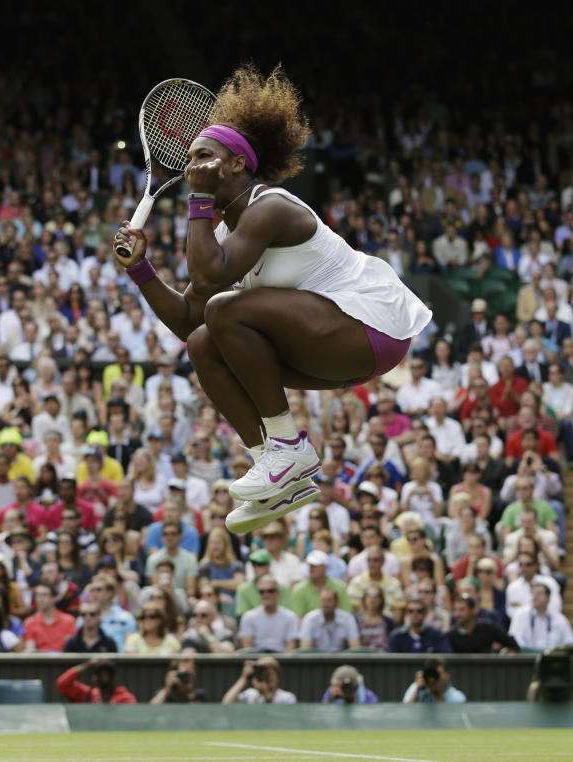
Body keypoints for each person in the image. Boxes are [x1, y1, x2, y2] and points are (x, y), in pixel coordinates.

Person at [113, 64, 430, 534]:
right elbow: (187, 322)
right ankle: (279, 471)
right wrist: (141, 270)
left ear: (237, 164)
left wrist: (197, 202)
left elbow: (211, 276)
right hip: (335, 350)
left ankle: (287, 448)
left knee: (224, 309)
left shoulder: (271, 206)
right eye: (189, 160)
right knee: (204, 342)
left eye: (204, 155)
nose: (190, 167)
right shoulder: (224, 231)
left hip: (372, 328)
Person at [237, 574, 298, 652]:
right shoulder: (248, 617)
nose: (266, 595)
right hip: (256, 659)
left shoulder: (290, 617)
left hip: (282, 660)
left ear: (278, 593)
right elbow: (247, 648)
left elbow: (290, 647)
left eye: (270, 591)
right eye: (262, 592)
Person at [508, 582, 573, 651]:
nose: (535, 597)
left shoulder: (560, 619)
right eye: (533, 593)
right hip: (527, 659)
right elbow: (515, 641)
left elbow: (569, 642)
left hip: (552, 658)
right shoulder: (520, 615)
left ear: (548, 598)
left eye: (539, 594)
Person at [447, 594, 519, 653]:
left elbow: (513, 644)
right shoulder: (451, 635)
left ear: (473, 610)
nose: (457, 614)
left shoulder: (488, 627)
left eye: (462, 610)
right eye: (455, 610)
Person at [23, 582, 76, 652]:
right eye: (37, 595)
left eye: (44, 595)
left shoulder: (69, 621)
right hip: (39, 662)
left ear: (55, 598)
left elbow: (70, 649)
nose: (39, 599)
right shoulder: (29, 622)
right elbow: (30, 650)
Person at [55, 659, 136, 704]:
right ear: (95, 678)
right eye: (101, 675)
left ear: (115, 678)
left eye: (108, 675)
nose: (105, 678)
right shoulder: (87, 695)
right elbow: (62, 684)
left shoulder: (125, 698)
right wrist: (88, 664)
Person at [222, 656, 297, 704]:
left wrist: (267, 695)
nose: (269, 678)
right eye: (265, 674)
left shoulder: (287, 697)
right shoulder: (250, 694)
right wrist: (244, 677)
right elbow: (226, 703)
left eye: (271, 674)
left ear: (278, 675)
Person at [402, 657, 467, 703]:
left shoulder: (458, 698)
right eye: (430, 674)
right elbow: (406, 712)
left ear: (447, 675)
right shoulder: (417, 687)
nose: (433, 677)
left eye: (437, 673)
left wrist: (438, 695)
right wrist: (417, 691)